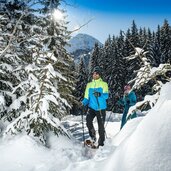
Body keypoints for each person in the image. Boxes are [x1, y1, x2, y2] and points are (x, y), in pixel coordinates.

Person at [82, 66, 109, 147]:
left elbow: (106, 96)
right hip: (91, 107)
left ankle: (101, 143)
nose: (95, 75)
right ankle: (93, 137)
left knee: (101, 127)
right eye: (94, 73)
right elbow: (86, 97)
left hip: (101, 108)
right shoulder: (89, 85)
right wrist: (83, 103)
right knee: (88, 121)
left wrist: (100, 94)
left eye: (97, 73)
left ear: (99, 75)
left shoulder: (104, 84)